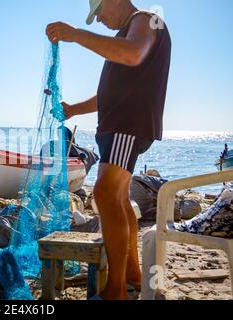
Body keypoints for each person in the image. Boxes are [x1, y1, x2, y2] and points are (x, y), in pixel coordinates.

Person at [46, 0, 172, 300]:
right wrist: (75, 109)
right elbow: (111, 91)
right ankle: (131, 274)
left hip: (127, 126)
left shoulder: (145, 19)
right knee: (119, 199)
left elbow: (132, 55)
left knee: (103, 194)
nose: (99, 20)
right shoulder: (125, 34)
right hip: (116, 127)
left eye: (99, 13)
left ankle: (115, 291)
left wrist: (75, 34)